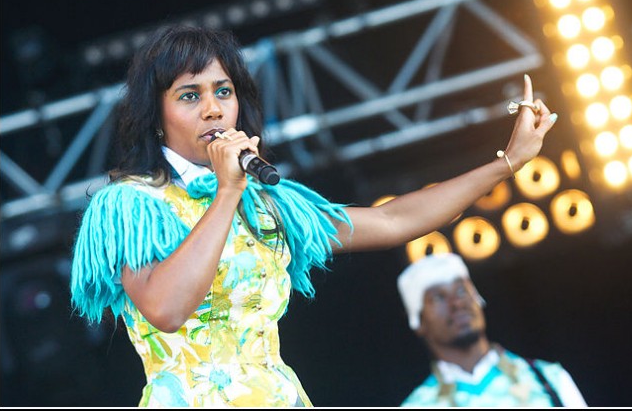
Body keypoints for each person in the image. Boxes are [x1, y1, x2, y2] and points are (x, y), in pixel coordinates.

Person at [70, 25, 558, 407]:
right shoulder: (129, 206)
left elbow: (392, 223)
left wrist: (506, 164)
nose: (214, 110)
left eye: (223, 91)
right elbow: (166, 309)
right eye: (189, 95)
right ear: (156, 117)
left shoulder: (267, 204)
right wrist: (225, 193)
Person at [397, 253, 588, 407]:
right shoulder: (418, 404)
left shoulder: (548, 379)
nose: (457, 303)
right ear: (417, 320)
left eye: (462, 291)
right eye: (438, 297)